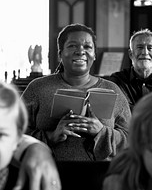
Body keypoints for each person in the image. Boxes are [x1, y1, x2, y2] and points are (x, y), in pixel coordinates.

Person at [21, 23, 131, 161]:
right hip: (50, 171)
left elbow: (131, 140)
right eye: (72, 45)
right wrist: (51, 136)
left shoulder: (112, 90)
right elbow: (16, 133)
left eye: (87, 47)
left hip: (101, 175)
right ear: (60, 54)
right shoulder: (38, 88)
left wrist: (101, 132)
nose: (80, 51)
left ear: (94, 55)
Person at [0, 81, 61, 190]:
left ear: (17, 139)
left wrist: (36, 147)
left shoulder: (28, 179)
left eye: (0, 135)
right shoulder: (36, 87)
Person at [109, 29, 152, 111]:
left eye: (150, 48)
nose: (145, 52)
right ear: (131, 54)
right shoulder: (118, 80)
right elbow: (118, 113)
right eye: (139, 47)